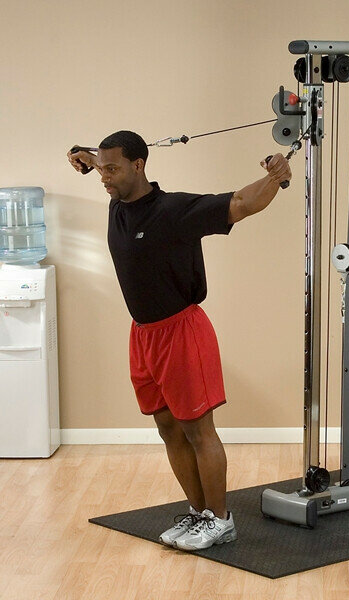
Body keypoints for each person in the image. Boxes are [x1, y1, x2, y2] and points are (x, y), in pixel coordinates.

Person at [67, 130, 291, 550]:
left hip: (181, 332)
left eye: (112, 169)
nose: (104, 177)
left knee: (198, 430)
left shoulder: (174, 210)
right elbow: (96, 159)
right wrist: (84, 156)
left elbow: (241, 203)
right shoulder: (118, 204)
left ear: (139, 165)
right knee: (168, 428)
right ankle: (199, 513)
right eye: (102, 170)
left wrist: (276, 177)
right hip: (142, 335)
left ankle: (221, 520)